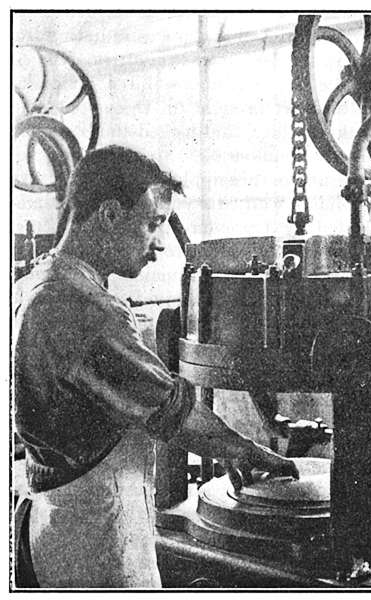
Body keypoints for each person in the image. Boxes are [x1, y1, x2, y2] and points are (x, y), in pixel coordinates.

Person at [13, 145, 298, 588]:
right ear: (109, 214)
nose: (160, 243)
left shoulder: (38, 283)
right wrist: (249, 452)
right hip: (96, 538)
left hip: (61, 521)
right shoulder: (84, 307)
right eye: (152, 223)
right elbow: (172, 413)